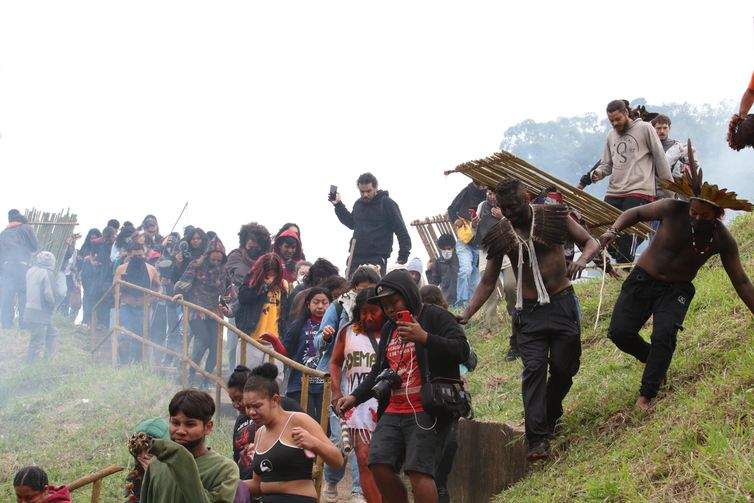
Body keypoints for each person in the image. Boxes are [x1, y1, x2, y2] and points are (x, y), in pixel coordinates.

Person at [460, 178, 600, 460]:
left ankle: (549, 413)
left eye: (512, 206)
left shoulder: (552, 216)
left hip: (561, 304)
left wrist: (582, 261)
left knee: (564, 369)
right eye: (503, 208)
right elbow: (488, 281)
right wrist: (466, 314)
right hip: (529, 314)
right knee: (534, 370)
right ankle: (537, 439)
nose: (508, 213)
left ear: (525, 199)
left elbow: (590, 242)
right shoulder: (501, 234)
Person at [599, 160, 754, 410]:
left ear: (718, 215)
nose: (696, 217)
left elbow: (742, 281)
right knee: (619, 332)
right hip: (642, 279)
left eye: (704, 216)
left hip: (676, 290)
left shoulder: (723, 239)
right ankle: (654, 361)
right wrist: (613, 231)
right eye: (694, 212)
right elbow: (636, 213)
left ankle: (646, 395)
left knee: (663, 336)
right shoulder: (672, 208)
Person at [337, 270, 470, 503]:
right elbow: (378, 371)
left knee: (419, 470)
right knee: (378, 463)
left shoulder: (436, 317)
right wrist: (355, 397)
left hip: (427, 409)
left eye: (394, 302)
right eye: (385, 305)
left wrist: (424, 337)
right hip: (394, 408)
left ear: (408, 295)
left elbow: (462, 350)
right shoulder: (390, 328)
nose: (389, 309)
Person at [314, 266, 380, 503]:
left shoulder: (382, 315)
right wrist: (326, 336)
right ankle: (332, 481)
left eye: (371, 290)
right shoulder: (340, 307)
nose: (366, 295)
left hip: (370, 391)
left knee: (364, 443)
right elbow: (319, 342)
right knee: (340, 441)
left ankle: (358, 491)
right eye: (362, 290)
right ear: (354, 288)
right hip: (341, 385)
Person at [587, 99, 672, 263]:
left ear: (626, 113)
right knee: (603, 230)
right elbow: (607, 164)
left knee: (628, 236)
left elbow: (660, 159)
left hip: (639, 190)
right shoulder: (611, 136)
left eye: (618, 119)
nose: (615, 123)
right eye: (611, 120)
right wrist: (597, 173)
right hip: (614, 190)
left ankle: (625, 265)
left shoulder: (645, 128)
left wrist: (668, 192)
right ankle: (622, 263)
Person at [243, 363, 343, 503]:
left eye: (257, 406)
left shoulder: (298, 420)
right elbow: (258, 484)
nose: (251, 412)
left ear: (275, 400)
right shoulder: (259, 433)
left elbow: (337, 461)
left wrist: (314, 443)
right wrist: (225, 484)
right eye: (247, 407)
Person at [329, 287, 384, 503]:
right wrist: (336, 391)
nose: (368, 316)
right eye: (363, 311)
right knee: (363, 459)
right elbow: (335, 362)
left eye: (374, 311)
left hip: (390, 406)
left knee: (384, 464)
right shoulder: (348, 331)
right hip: (358, 407)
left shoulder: (395, 331)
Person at [134, 389, 239, 502]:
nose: (180, 431)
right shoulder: (157, 464)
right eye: (175, 423)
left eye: (190, 424)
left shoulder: (224, 469)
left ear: (208, 427)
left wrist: (182, 458)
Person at [227, 365, 303, 482]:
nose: (236, 405)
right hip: (247, 483)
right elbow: (237, 455)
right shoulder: (241, 420)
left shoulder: (287, 408)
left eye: (239, 399)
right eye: (233, 400)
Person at [174, 237, 231, 385]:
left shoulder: (224, 271)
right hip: (196, 309)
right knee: (203, 340)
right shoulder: (196, 265)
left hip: (214, 311)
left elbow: (228, 292)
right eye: (214, 260)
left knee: (216, 347)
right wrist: (180, 292)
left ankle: (207, 380)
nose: (216, 263)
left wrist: (229, 304)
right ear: (208, 256)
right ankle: (189, 373)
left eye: (219, 261)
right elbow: (182, 284)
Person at [331, 172, 412, 277]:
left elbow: (401, 231)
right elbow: (351, 223)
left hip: (376, 258)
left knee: (371, 291)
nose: (365, 194)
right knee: (351, 288)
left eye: (368, 191)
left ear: (376, 187)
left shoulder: (387, 203)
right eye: (362, 191)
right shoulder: (358, 204)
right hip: (355, 257)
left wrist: (402, 257)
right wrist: (338, 205)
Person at [226, 223, 272, 366]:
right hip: (237, 304)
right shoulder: (236, 256)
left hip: (261, 307)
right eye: (249, 243)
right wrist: (257, 278)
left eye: (256, 245)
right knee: (235, 344)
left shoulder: (267, 259)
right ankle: (234, 375)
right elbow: (241, 275)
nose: (252, 247)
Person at [283, 287, 332, 420]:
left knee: (326, 427)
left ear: (331, 304)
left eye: (324, 302)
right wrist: (273, 341)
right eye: (316, 302)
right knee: (306, 423)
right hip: (300, 384)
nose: (320, 306)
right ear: (308, 304)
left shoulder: (337, 326)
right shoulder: (298, 325)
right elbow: (285, 352)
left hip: (326, 385)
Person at [235, 253, 290, 368]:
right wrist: (263, 286)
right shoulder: (251, 281)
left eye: (273, 275)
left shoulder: (283, 285)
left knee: (275, 378)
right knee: (247, 376)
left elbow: (284, 312)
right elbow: (243, 298)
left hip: (274, 340)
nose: (270, 278)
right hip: (251, 338)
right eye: (267, 275)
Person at [112, 242, 161, 364]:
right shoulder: (121, 269)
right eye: (135, 256)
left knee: (141, 339)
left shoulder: (151, 269)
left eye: (141, 255)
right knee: (124, 337)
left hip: (143, 309)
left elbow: (158, 286)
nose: (138, 258)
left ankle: (137, 365)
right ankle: (123, 364)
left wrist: (155, 297)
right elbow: (114, 287)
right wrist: (119, 296)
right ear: (129, 255)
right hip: (126, 307)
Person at [447, 181, 487, 306]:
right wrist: (455, 220)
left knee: (475, 276)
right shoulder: (467, 191)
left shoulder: (489, 196)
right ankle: (461, 303)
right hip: (465, 239)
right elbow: (451, 209)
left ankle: (471, 305)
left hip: (479, 242)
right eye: (480, 184)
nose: (482, 187)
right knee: (466, 270)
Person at [0, 209, 39, 329]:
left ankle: (6, 326)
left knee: (7, 296)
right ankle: (24, 326)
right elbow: (35, 246)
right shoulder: (26, 228)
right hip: (23, 266)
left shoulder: (4, 233)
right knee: (23, 295)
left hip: (7, 267)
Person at [24, 251, 66, 363]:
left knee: (52, 333)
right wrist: (52, 306)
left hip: (29, 309)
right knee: (37, 341)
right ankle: (30, 365)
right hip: (41, 311)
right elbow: (49, 294)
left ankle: (46, 361)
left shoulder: (30, 271)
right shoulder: (47, 273)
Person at [124, 417, 169, 503]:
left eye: (150, 451)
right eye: (139, 451)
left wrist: (158, 476)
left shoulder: (179, 476)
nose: (143, 456)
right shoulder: (137, 478)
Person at [426, 233, 459, 306]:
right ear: (440, 249)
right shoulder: (438, 263)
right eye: (444, 249)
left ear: (453, 248)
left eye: (449, 248)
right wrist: (428, 270)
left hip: (462, 298)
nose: (446, 251)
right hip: (447, 301)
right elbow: (433, 283)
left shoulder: (459, 259)